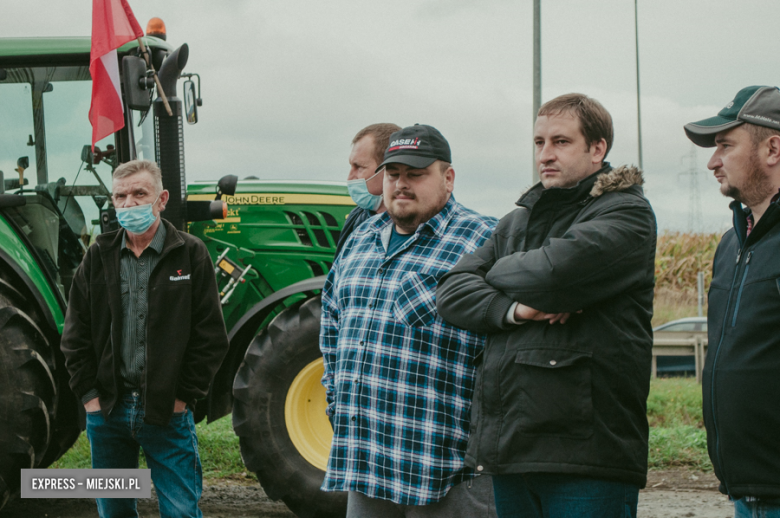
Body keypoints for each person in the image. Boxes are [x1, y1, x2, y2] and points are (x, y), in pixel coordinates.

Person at [437, 93, 657, 518]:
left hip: (586, 453)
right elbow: (451, 291)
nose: (545, 155)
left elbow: (555, 273)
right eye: (539, 143)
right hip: (511, 448)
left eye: (560, 142)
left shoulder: (626, 213)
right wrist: (519, 309)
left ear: (598, 149)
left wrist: (493, 273)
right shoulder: (516, 222)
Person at [320, 124, 499, 517]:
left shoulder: (485, 240)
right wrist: (337, 400)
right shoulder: (361, 238)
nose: (401, 184)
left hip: (446, 470)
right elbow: (331, 326)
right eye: (393, 173)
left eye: (415, 174)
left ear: (447, 178)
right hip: (367, 462)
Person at [61, 159, 229, 518]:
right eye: (120, 196)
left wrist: (183, 396)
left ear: (162, 198)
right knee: (115, 512)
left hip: (167, 413)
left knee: (181, 511)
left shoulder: (190, 253)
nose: (129, 204)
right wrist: (90, 398)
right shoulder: (97, 256)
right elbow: (75, 334)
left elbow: (210, 336)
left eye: (140, 194)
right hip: (107, 412)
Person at [684, 85, 780, 518]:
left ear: (772, 148)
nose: (712, 161)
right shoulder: (731, 245)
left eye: (725, 145)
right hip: (747, 489)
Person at [336, 122, 402, 257]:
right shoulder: (357, 217)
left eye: (359, 167)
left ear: (388, 169)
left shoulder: (411, 224)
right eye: (351, 166)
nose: (350, 177)